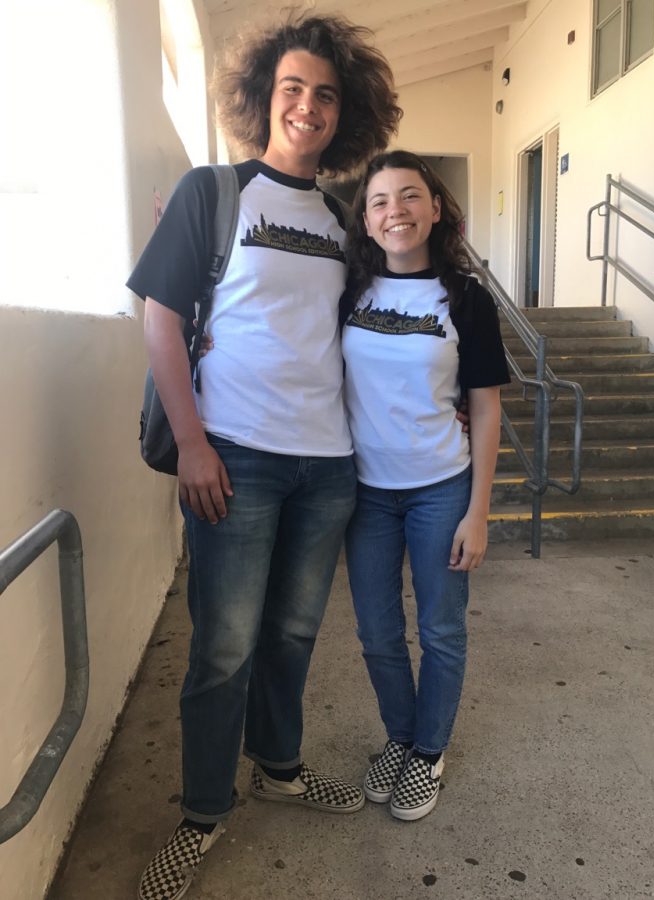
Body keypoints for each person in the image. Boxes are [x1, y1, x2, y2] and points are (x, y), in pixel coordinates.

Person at [126, 13, 401, 900]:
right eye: (292, 89)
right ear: (262, 97)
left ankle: (277, 766)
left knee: (290, 633)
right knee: (223, 647)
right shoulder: (213, 192)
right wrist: (196, 443)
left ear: (345, 111)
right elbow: (160, 319)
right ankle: (203, 812)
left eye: (325, 94)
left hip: (328, 465)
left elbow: (367, 330)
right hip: (235, 459)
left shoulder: (341, 217)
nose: (308, 106)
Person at [340, 150, 509, 822]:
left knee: (440, 630)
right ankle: (402, 736)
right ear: (367, 220)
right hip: (364, 493)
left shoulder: (465, 298)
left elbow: (487, 404)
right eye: (380, 201)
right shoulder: (348, 292)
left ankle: (428, 751)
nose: (395, 212)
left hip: (441, 486)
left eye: (409, 196)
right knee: (377, 633)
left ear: (435, 208)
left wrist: (479, 511)